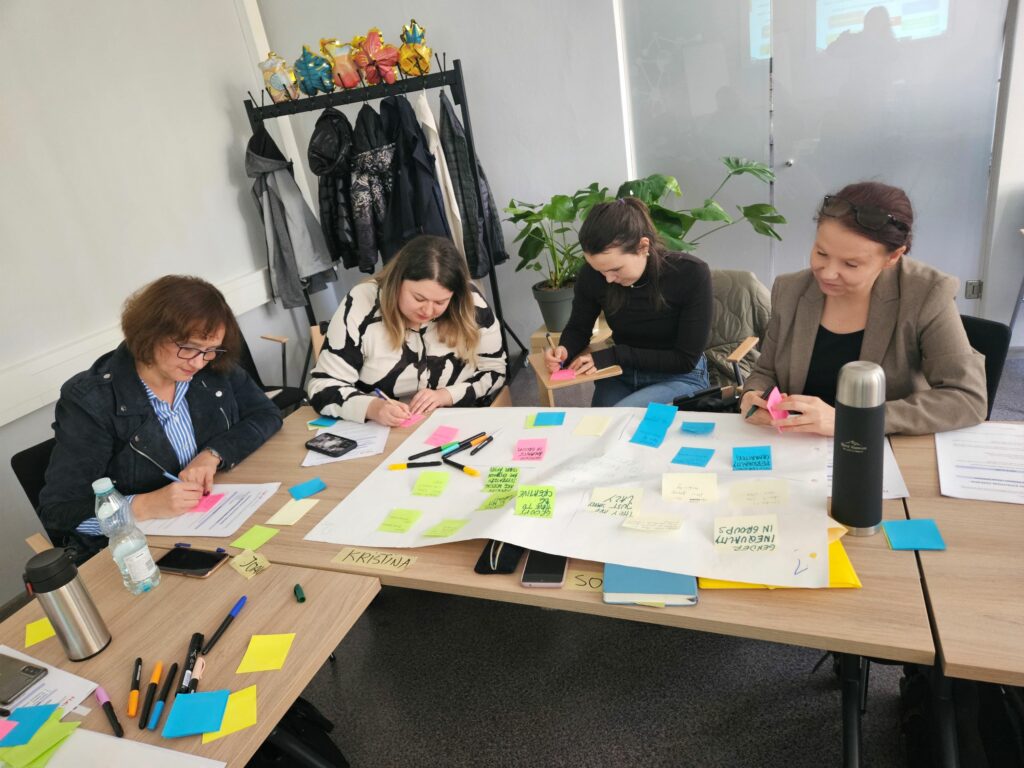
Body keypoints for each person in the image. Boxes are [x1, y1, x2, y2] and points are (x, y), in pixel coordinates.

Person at [38, 276, 283, 558]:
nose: (199, 362)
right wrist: (144, 505)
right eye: (188, 348)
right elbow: (57, 511)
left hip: (215, 520)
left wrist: (213, 454)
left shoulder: (210, 368)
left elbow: (266, 414)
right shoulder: (91, 401)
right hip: (140, 550)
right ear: (148, 334)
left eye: (210, 350)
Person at [741, 181, 987, 436]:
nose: (828, 273)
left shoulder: (926, 293)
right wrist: (753, 394)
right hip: (799, 446)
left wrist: (853, 421)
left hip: (882, 448)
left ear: (893, 257)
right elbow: (766, 371)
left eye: (850, 264)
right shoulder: (791, 290)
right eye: (821, 253)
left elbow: (967, 397)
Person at [308, 234, 507, 426]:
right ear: (396, 283)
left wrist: (446, 395)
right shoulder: (362, 303)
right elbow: (322, 387)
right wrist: (374, 408)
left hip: (457, 421)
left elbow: (495, 369)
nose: (428, 311)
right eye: (419, 298)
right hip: (382, 430)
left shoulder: (469, 303)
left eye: (441, 302)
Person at [544, 198, 713, 407]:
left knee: (620, 421)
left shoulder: (690, 273)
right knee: (599, 427)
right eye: (600, 270)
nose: (607, 279)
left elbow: (684, 360)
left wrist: (615, 355)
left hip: (680, 376)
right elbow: (579, 327)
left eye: (615, 269)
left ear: (643, 246)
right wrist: (564, 349)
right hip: (621, 372)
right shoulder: (593, 275)